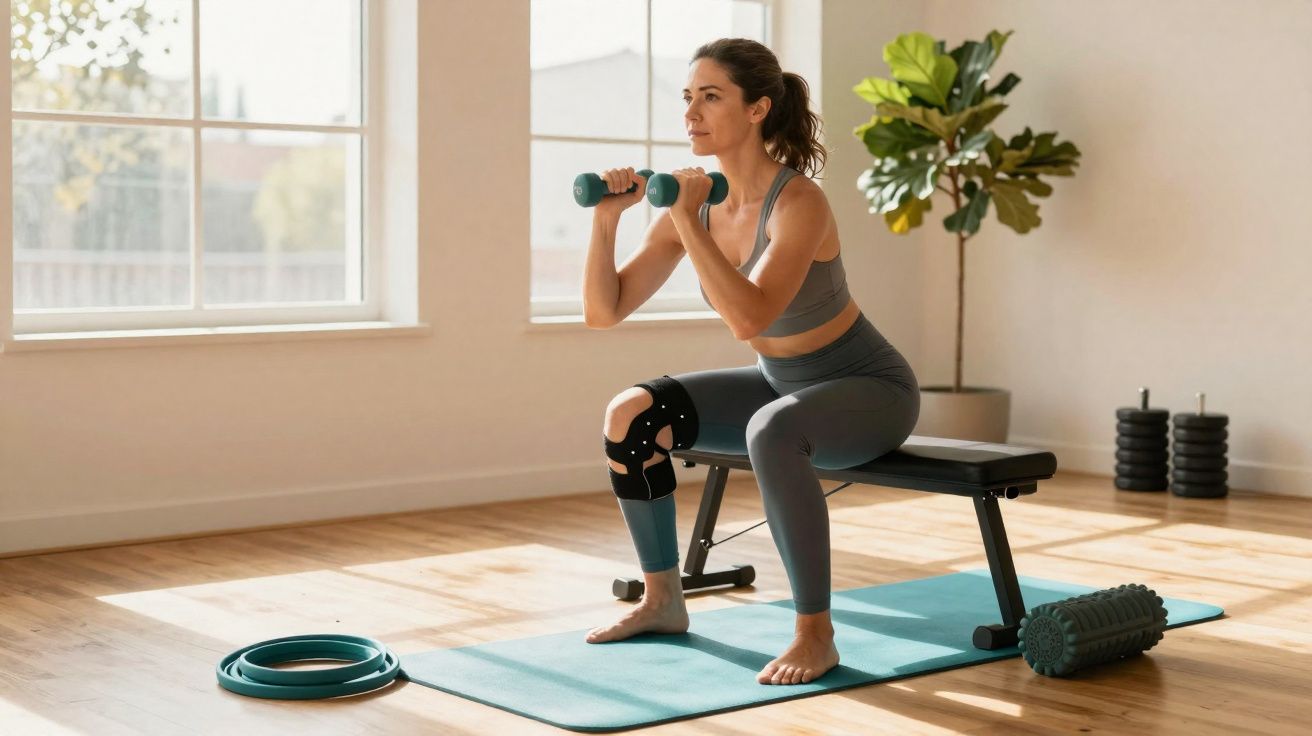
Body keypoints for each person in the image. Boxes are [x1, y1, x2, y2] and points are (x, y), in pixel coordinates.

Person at [581, 38, 920, 686]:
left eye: (711, 97)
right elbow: (604, 311)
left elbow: (749, 317)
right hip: (782, 385)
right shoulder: (699, 202)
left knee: (774, 430)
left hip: (868, 391)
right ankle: (662, 599)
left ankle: (815, 634)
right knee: (630, 415)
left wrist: (684, 220)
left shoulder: (799, 204)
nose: (691, 114)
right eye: (687, 98)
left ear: (760, 107)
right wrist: (606, 221)